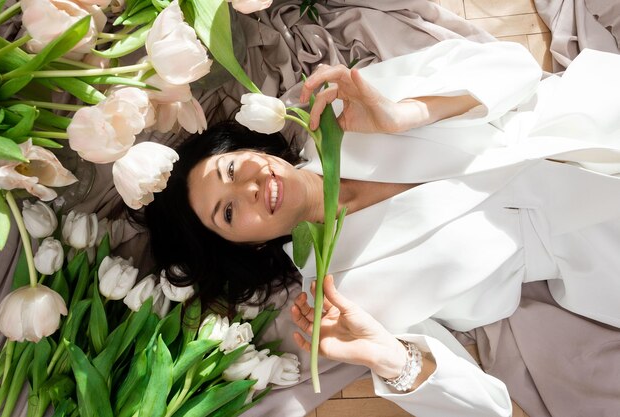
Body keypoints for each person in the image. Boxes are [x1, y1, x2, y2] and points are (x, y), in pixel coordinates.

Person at [145, 39, 620, 416]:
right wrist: (389, 358)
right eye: (227, 214)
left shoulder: (341, 111)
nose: (247, 189)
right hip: (600, 256)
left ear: (256, 150)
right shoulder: (344, 291)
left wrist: (406, 114)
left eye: (231, 169)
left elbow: (514, 68)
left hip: (594, 119)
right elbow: (485, 409)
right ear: (245, 246)